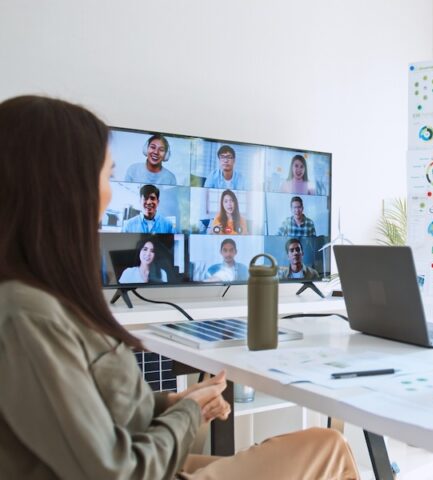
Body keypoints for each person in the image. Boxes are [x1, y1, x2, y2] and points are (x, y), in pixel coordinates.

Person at [0, 95, 359, 479]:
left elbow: (87, 412)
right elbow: (113, 470)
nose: (107, 196)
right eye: (106, 176)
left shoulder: (41, 300)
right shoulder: (26, 315)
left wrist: (174, 401)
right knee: (329, 447)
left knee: (313, 447)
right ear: (65, 190)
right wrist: (190, 414)